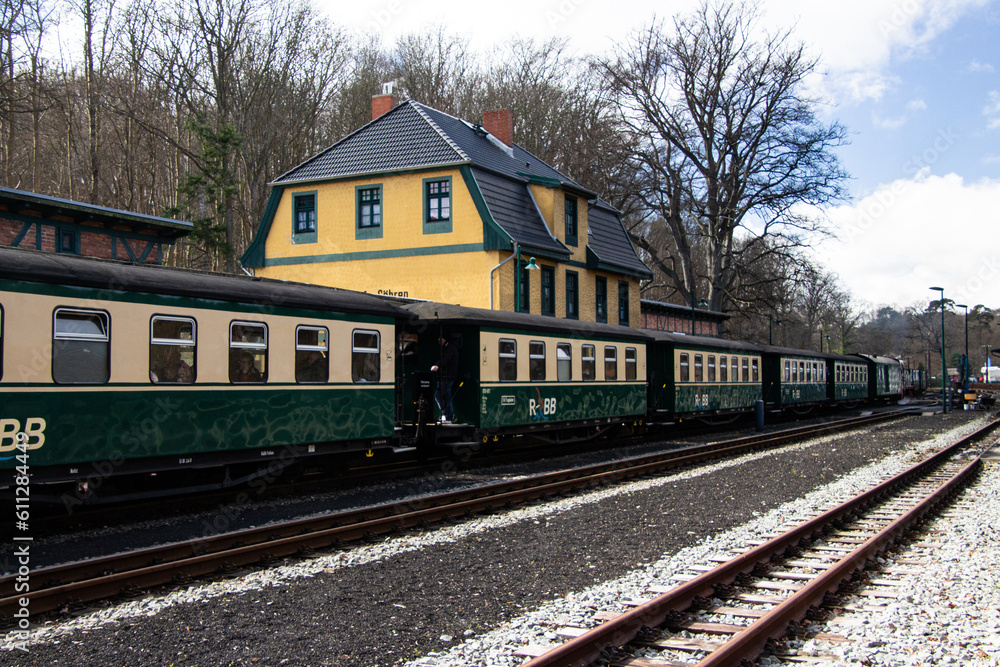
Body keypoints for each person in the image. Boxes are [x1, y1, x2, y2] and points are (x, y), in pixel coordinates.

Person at [430, 334, 459, 423]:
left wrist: (437, 365)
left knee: (438, 395)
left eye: (440, 338)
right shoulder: (449, 347)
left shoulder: (449, 348)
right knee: (447, 396)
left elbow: (445, 358)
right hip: (447, 377)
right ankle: (448, 416)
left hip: (447, 377)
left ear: (444, 339)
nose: (438, 339)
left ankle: (447, 415)